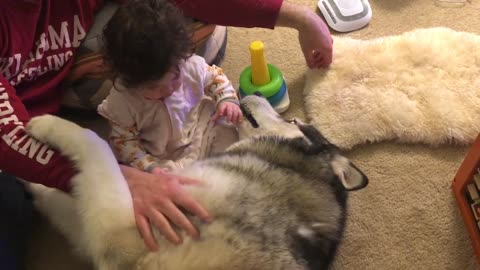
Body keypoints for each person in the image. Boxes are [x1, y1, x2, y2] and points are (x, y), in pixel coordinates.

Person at [0, 0, 332, 268]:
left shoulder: (189, 70)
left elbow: (210, 73)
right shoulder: (121, 105)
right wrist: (122, 174)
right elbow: (17, 136)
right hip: (15, 133)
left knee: (198, 35)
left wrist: (300, 18)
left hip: (51, 102)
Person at [97, 0, 243, 179]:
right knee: (168, 184)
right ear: (128, 82)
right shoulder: (121, 102)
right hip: (163, 156)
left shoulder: (189, 65)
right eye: (153, 87)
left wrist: (227, 100)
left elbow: (216, 79)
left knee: (232, 132)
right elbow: (125, 144)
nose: (169, 90)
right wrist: (150, 167)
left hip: (201, 127)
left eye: (175, 78)